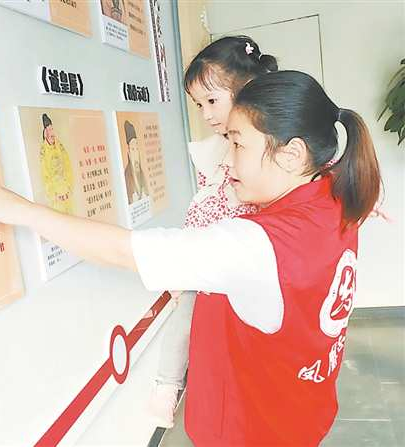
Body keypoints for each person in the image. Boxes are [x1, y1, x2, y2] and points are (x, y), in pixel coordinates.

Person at [0, 69, 381, 445]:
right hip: (300, 412)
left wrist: (18, 210)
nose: (229, 159)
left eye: (237, 144)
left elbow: (121, 249)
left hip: (253, 430)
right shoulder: (335, 193)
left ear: (291, 154)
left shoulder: (256, 245)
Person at [147, 35, 277, 428]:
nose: (205, 114)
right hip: (211, 250)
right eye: (199, 105)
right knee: (188, 311)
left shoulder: (278, 138)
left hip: (252, 253)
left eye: (211, 101)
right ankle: (168, 385)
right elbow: (204, 202)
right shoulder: (216, 149)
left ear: (247, 89)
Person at [40, 113, 75, 215]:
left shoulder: (60, 147)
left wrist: (70, 188)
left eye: (52, 129)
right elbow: (45, 175)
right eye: (48, 130)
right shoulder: (44, 152)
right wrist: (53, 194)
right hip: (56, 196)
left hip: (67, 191)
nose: (51, 133)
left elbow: (68, 166)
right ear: (45, 133)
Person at [123, 120, 150, 204]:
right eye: (133, 149)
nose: (136, 154)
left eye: (137, 148)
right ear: (129, 153)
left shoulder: (141, 172)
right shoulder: (127, 175)